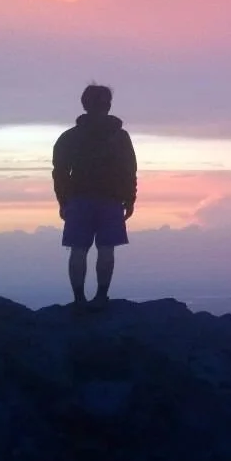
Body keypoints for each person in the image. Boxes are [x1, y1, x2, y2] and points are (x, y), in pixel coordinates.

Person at [53, 84, 138, 311]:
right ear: (108, 105)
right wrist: (130, 199)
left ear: (85, 104)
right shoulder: (120, 137)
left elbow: (60, 172)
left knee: (78, 250)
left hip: (79, 200)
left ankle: (79, 300)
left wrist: (63, 201)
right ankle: (101, 297)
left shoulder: (69, 137)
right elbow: (129, 170)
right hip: (111, 199)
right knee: (106, 249)